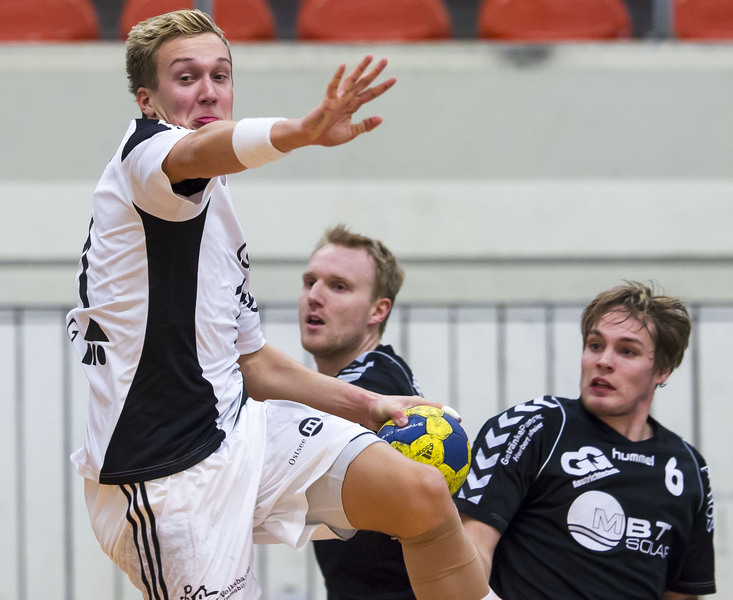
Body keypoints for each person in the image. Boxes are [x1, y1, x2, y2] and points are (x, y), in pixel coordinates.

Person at [64, 9, 490, 600]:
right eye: (186, 77)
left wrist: (369, 404)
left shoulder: (216, 200)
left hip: (243, 432)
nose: (209, 90)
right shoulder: (145, 157)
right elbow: (200, 150)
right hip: (165, 478)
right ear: (148, 101)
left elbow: (255, 364)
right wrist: (301, 132)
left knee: (420, 495)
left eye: (220, 75)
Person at [455, 281, 716, 600]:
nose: (603, 361)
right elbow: (470, 550)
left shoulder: (689, 468)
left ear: (662, 369)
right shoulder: (535, 426)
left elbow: (682, 594)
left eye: (627, 351)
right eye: (595, 345)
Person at [299, 224, 420, 599]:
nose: (314, 296)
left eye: (338, 286)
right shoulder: (366, 378)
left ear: (377, 311)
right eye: (310, 282)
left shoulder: (376, 379)